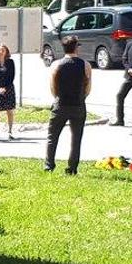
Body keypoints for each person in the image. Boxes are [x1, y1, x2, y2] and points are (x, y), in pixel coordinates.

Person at [46, 36, 90, 174]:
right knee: (76, 139)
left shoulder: (56, 65)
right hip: (78, 104)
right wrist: (82, 97)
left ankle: (49, 165)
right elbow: (88, 86)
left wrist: (58, 98)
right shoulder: (85, 64)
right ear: (76, 47)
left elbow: (52, 87)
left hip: (61, 104)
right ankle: (72, 168)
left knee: (52, 137)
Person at [0, 44, 18, 139]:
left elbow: (11, 76)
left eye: (3, 50)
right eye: (0, 50)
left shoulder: (10, 62)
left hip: (8, 88)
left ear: (6, 52)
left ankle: (10, 131)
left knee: (9, 111)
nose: (1, 52)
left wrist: (5, 87)